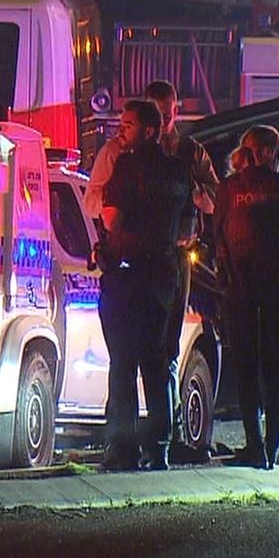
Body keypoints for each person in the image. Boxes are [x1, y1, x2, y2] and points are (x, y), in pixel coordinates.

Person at [98, 99, 191, 471]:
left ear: (150, 130)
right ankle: (160, 447)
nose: (121, 129)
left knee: (122, 363)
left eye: (129, 124)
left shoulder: (127, 165)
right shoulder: (179, 171)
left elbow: (111, 220)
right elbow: (188, 228)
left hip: (127, 274)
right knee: (156, 363)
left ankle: (123, 449)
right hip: (163, 275)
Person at [213, 125, 279, 470]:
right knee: (273, 365)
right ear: (267, 153)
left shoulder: (228, 188)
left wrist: (226, 275)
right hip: (277, 288)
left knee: (246, 367)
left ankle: (254, 447)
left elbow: (218, 235)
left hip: (239, 288)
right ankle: (272, 447)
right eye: (278, 152)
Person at [144, 80, 219, 463]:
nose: (163, 120)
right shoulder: (136, 151)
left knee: (170, 345)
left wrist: (194, 193)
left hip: (177, 254)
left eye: (167, 112)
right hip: (145, 256)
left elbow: (214, 199)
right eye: (156, 113)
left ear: (175, 112)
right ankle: (149, 435)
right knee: (145, 347)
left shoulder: (191, 153)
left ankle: (168, 433)